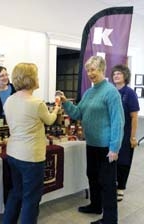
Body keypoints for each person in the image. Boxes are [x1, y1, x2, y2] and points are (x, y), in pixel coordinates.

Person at [58, 56, 124, 224]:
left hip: (106, 147)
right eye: (88, 70)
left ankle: (110, 219)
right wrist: (65, 102)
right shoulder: (89, 92)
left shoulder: (111, 92)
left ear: (102, 69)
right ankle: (95, 206)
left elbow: (118, 121)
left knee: (108, 183)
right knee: (92, 176)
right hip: (92, 144)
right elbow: (78, 113)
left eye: (93, 69)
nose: (90, 73)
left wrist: (114, 148)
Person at [3, 62, 60, 224]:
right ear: (31, 79)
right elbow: (49, 120)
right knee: (31, 199)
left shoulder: (9, 100)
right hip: (31, 157)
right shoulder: (36, 103)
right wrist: (56, 108)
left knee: (16, 193)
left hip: (13, 153)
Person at [111, 64, 140, 202]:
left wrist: (132, 137)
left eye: (119, 73)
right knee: (112, 161)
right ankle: (112, 185)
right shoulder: (111, 91)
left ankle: (121, 188)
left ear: (125, 76)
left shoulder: (130, 94)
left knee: (123, 162)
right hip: (112, 134)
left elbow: (134, 117)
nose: (116, 75)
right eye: (115, 73)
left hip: (126, 134)